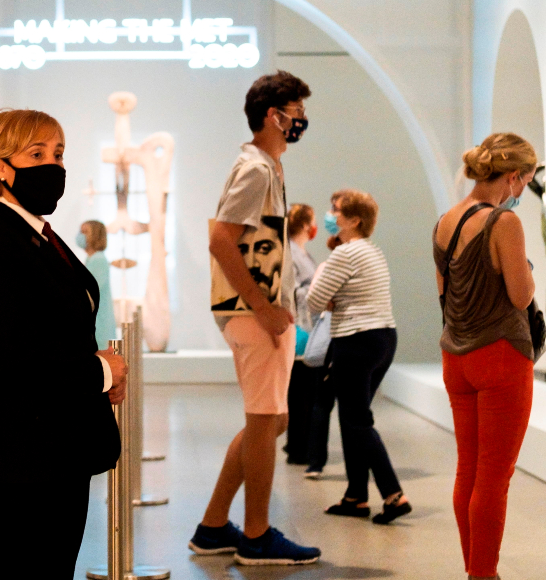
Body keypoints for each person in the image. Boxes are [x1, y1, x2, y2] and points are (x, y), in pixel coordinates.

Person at [0, 108, 128, 579]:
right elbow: (14, 358)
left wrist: (98, 373)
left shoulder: (37, 236)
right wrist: (102, 371)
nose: (53, 165)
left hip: (55, 448)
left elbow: (54, 333)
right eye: (36, 154)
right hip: (21, 453)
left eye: (58, 154)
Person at [190, 71, 321, 565]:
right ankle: (257, 534)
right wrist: (263, 308)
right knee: (266, 421)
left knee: (272, 420)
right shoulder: (257, 170)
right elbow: (221, 239)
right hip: (254, 313)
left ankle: (213, 526)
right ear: (274, 115)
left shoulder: (267, 167)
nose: (303, 120)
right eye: (298, 111)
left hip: (256, 311)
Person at [433, 133, 537, 580]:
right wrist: (526, 269)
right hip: (501, 356)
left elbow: (444, 294)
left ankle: (477, 570)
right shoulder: (504, 222)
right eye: (525, 182)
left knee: (469, 471)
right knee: (494, 477)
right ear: (513, 176)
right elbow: (520, 296)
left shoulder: (446, 220)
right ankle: (482, 575)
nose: (523, 191)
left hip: (456, 357)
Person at [306, 189, 411, 525]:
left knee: (356, 420)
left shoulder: (344, 253)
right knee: (353, 416)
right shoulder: (372, 251)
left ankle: (393, 495)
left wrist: (329, 298)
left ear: (354, 220)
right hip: (383, 338)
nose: (330, 215)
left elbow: (313, 300)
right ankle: (355, 496)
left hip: (355, 339)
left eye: (336, 210)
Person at [304, 191, 348, 479]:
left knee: (324, 402)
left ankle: (316, 462)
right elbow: (318, 300)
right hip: (341, 337)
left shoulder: (328, 264)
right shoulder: (334, 264)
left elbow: (318, 300)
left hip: (337, 337)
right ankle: (317, 461)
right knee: (336, 404)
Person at [282, 203, 320, 465]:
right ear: (306, 225)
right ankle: (298, 447)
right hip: (299, 328)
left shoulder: (301, 252)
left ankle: (301, 443)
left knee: (305, 391)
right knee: (300, 392)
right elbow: (293, 291)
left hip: (307, 326)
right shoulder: (291, 253)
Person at [77, 219, 116, 348]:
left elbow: (89, 291)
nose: (80, 235)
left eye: (84, 232)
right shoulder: (91, 259)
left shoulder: (98, 260)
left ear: (95, 235)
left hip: (100, 323)